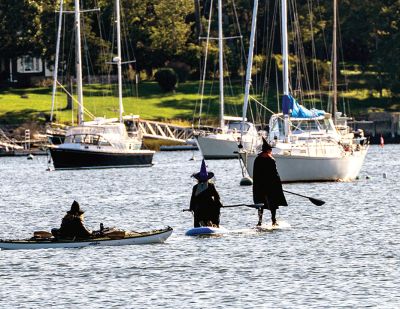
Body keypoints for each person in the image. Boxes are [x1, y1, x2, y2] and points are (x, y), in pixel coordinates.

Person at [252, 138, 288, 226]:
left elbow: (255, 174)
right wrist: (278, 186)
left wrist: (256, 185)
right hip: (270, 186)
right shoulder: (271, 160)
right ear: (268, 150)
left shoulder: (257, 159)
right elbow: (275, 174)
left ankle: (260, 221)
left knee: (260, 203)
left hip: (260, 186)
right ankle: (273, 220)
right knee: (273, 203)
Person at [189, 159, 223, 227]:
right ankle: (215, 224)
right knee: (216, 208)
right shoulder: (211, 186)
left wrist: (191, 208)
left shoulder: (195, 187)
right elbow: (217, 196)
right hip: (209, 208)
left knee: (197, 209)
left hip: (198, 210)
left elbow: (192, 199)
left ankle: (200, 224)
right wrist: (219, 204)